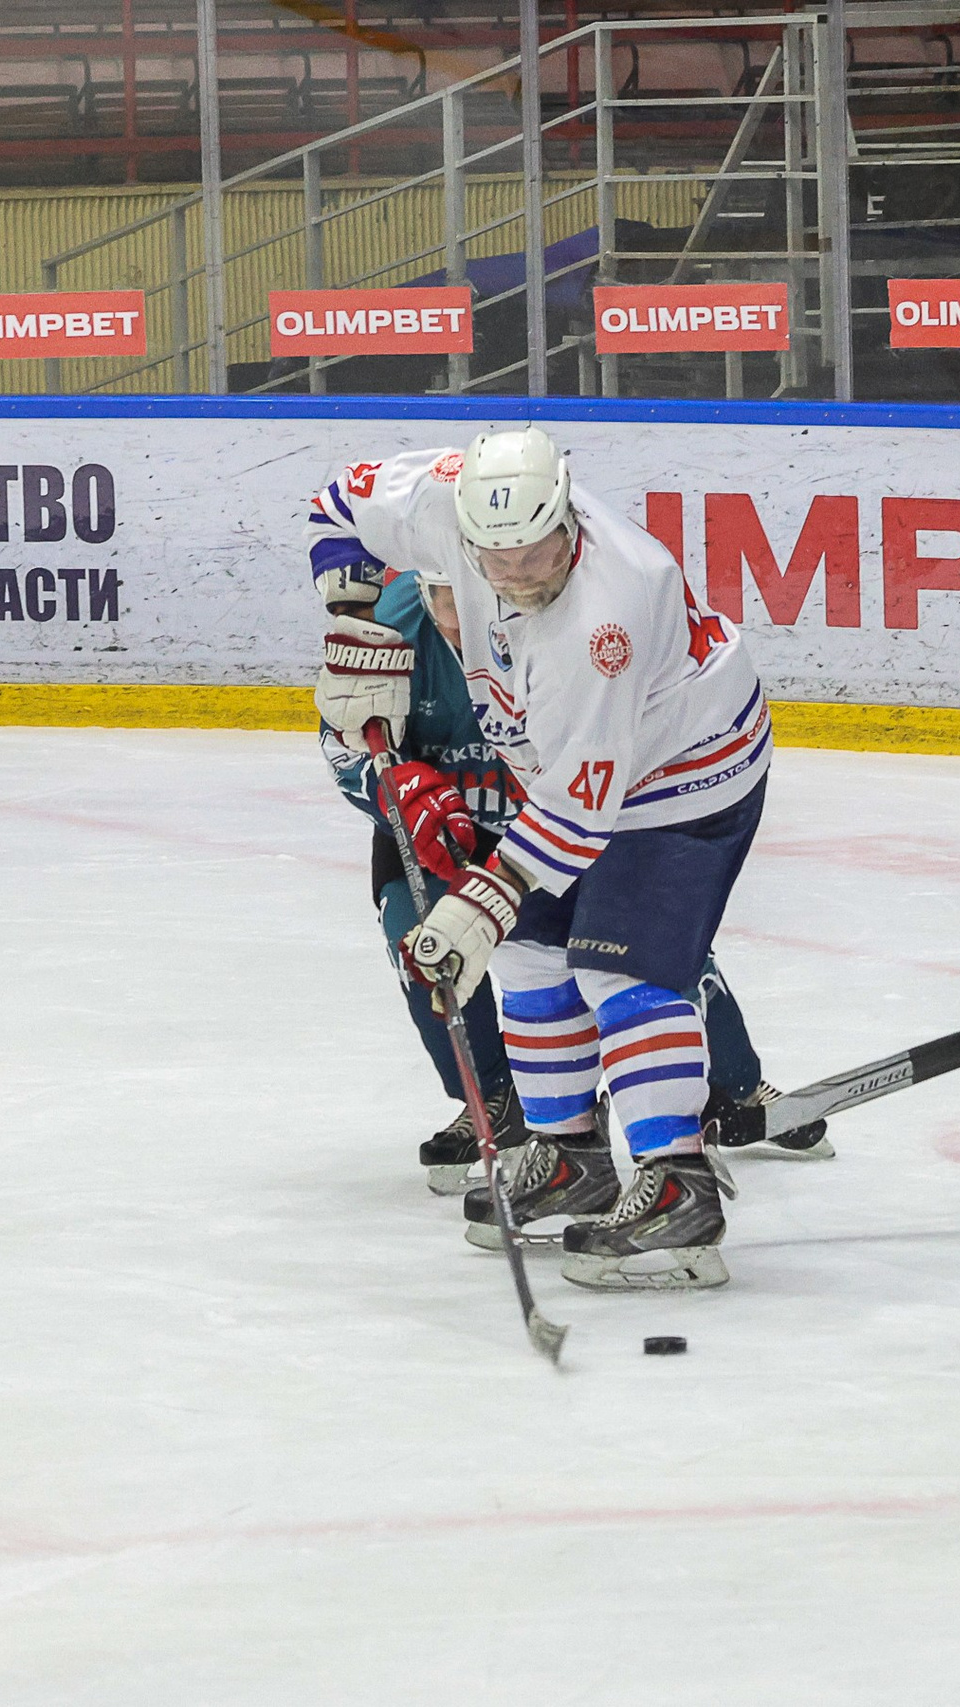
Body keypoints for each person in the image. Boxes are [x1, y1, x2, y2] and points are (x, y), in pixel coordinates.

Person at [305, 425, 772, 1291]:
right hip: (577, 776)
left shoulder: (604, 621)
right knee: (527, 948)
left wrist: (475, 904)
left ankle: (678, 1186)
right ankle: (570, 1157)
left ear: (568, 515)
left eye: (535, 553)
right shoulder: (441, 502)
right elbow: (335, 505)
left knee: (617, 970)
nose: (518, 576)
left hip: (686, 771)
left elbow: (576, 820)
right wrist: (354, 619)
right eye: (497, 560)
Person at [314, 565, 826, 1198]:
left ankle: (736, 1080)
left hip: (557, 815)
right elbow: (341, 738)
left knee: (635, 949)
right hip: (438, 828)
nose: (457, 615)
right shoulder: (389, 626)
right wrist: (390, 785)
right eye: (442, 597)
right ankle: (502, 1102)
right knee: (425, 948)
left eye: (468, 595)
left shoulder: (557, 622)